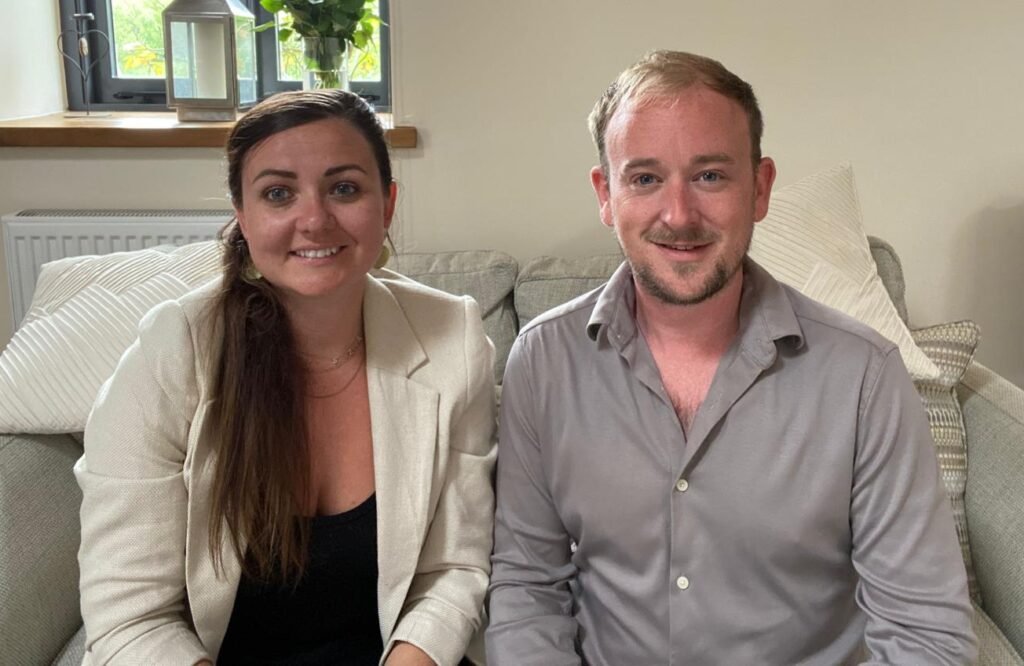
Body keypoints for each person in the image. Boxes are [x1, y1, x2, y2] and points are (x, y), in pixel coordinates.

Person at [486, 51, 976, 664]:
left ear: (760, 188)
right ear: (606, 195)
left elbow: (924, 632)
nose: (679, 215)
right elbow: (528, 586)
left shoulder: (864, 377)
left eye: (711, 176)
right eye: (644, 179)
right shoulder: (542, 362)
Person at [75, 90, 496, 666]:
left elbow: (454, 568)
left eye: (344, 188)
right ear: (242, 215)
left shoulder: (453, 338)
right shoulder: (171, 352)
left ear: (388, 205)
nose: (315, 220)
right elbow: (130, 615)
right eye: (278, 193)